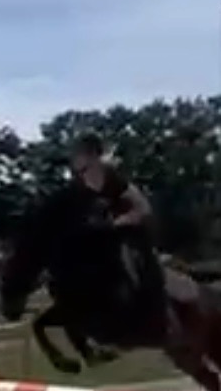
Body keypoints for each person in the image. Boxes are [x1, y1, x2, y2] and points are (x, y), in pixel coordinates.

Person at [69, 132, 166, 316]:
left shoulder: (114, 178)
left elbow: (143, 208)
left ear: (94, 156)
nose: (78, 162)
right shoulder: (79, 183)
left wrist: (119, 221)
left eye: (83, 155)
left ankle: (149, 302)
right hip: (102, 233)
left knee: (126, 257)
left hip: (129, 232)